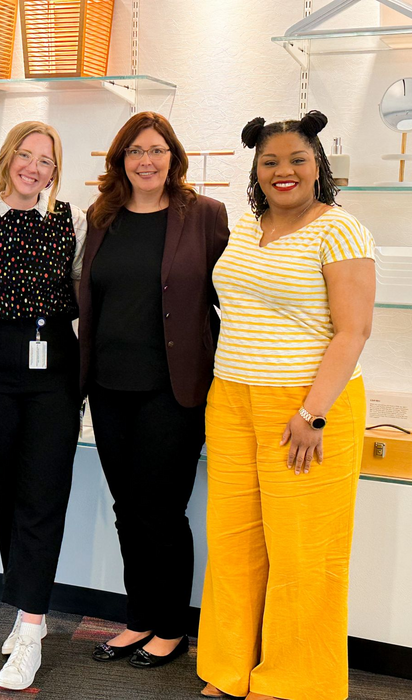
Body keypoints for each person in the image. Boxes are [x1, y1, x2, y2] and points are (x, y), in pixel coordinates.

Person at [197, 111, 375, 700]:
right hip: (231, 399)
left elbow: (353, 331)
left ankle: (293, 680)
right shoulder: (246, 226)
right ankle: (229, 668)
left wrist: (312, 414)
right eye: (270, 161)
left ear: (317, 165)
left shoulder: (341, 229)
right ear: (256, 170)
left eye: (297, 159)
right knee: (234, 542)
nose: (284, 171)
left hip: (306, 407)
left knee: (303, 552)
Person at [78, 112, 229, 669]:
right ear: (121, 160)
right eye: (136, 151)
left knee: (163, 512)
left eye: (157, 150)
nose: (146, 161)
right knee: (127, 509)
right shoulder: (102, 216)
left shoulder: (205, 215)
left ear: (173, 157)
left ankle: (171, 628)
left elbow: (230, 298)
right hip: (109, 387)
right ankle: (138, 619)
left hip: (173, 390)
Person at [0, 121, 86, 691]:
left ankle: (32, 628)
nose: (34, 168)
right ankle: (26, 608)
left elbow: (87, 289)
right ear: (7, 157)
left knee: (43, 493)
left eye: (47, 161)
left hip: (55, 363)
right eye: (27, 155)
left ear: (55, 172)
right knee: (7, 493)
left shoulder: (72, 220)